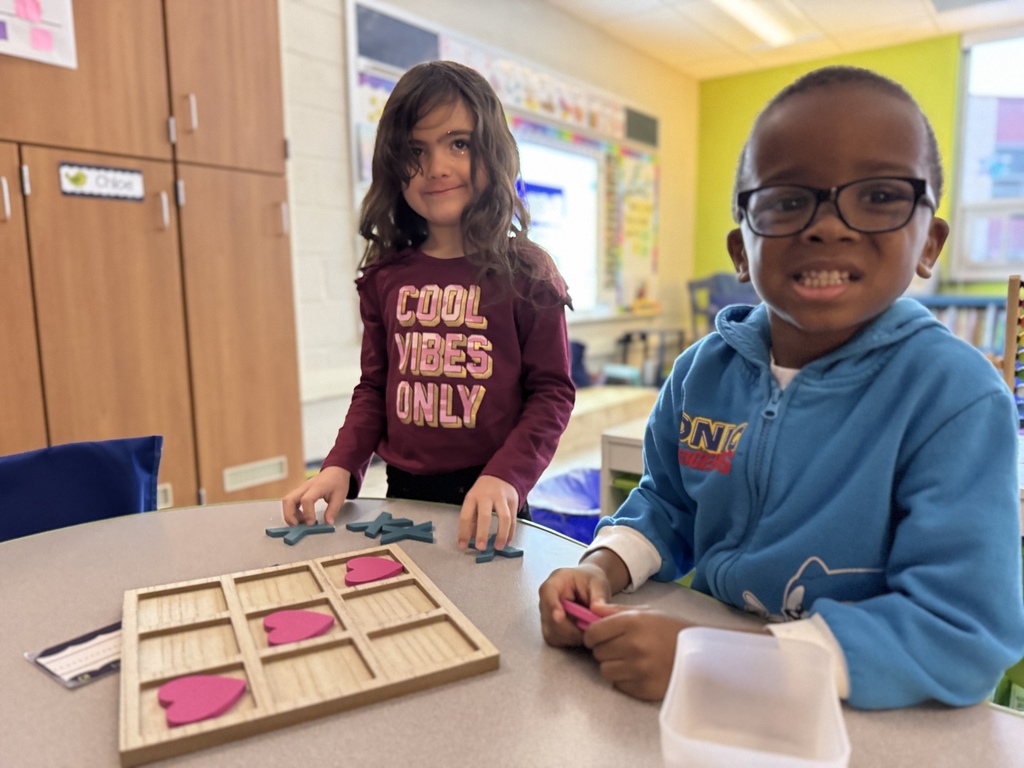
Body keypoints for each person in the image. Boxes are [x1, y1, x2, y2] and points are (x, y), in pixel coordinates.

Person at [538, 65, 1024, 710]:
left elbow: (960, 632)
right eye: (788, 200)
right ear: (742, 251)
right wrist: (599, 567)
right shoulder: (698, 373)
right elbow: (668, 504)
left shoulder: (952, 398)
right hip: (699, 694)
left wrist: (728, 667)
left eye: (879, 195)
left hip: (861, 717)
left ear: (929, 243)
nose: (828, 226)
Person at [283, 61, 575, 552]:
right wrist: (339, 464)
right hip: (402, 496)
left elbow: (551, 394)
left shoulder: (528, 272)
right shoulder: (384, 278)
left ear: (492, 152)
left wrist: (506, 476)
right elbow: (375, 388)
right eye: (416, 151)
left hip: (493, 494)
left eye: (459, 144)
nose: (437, 167)